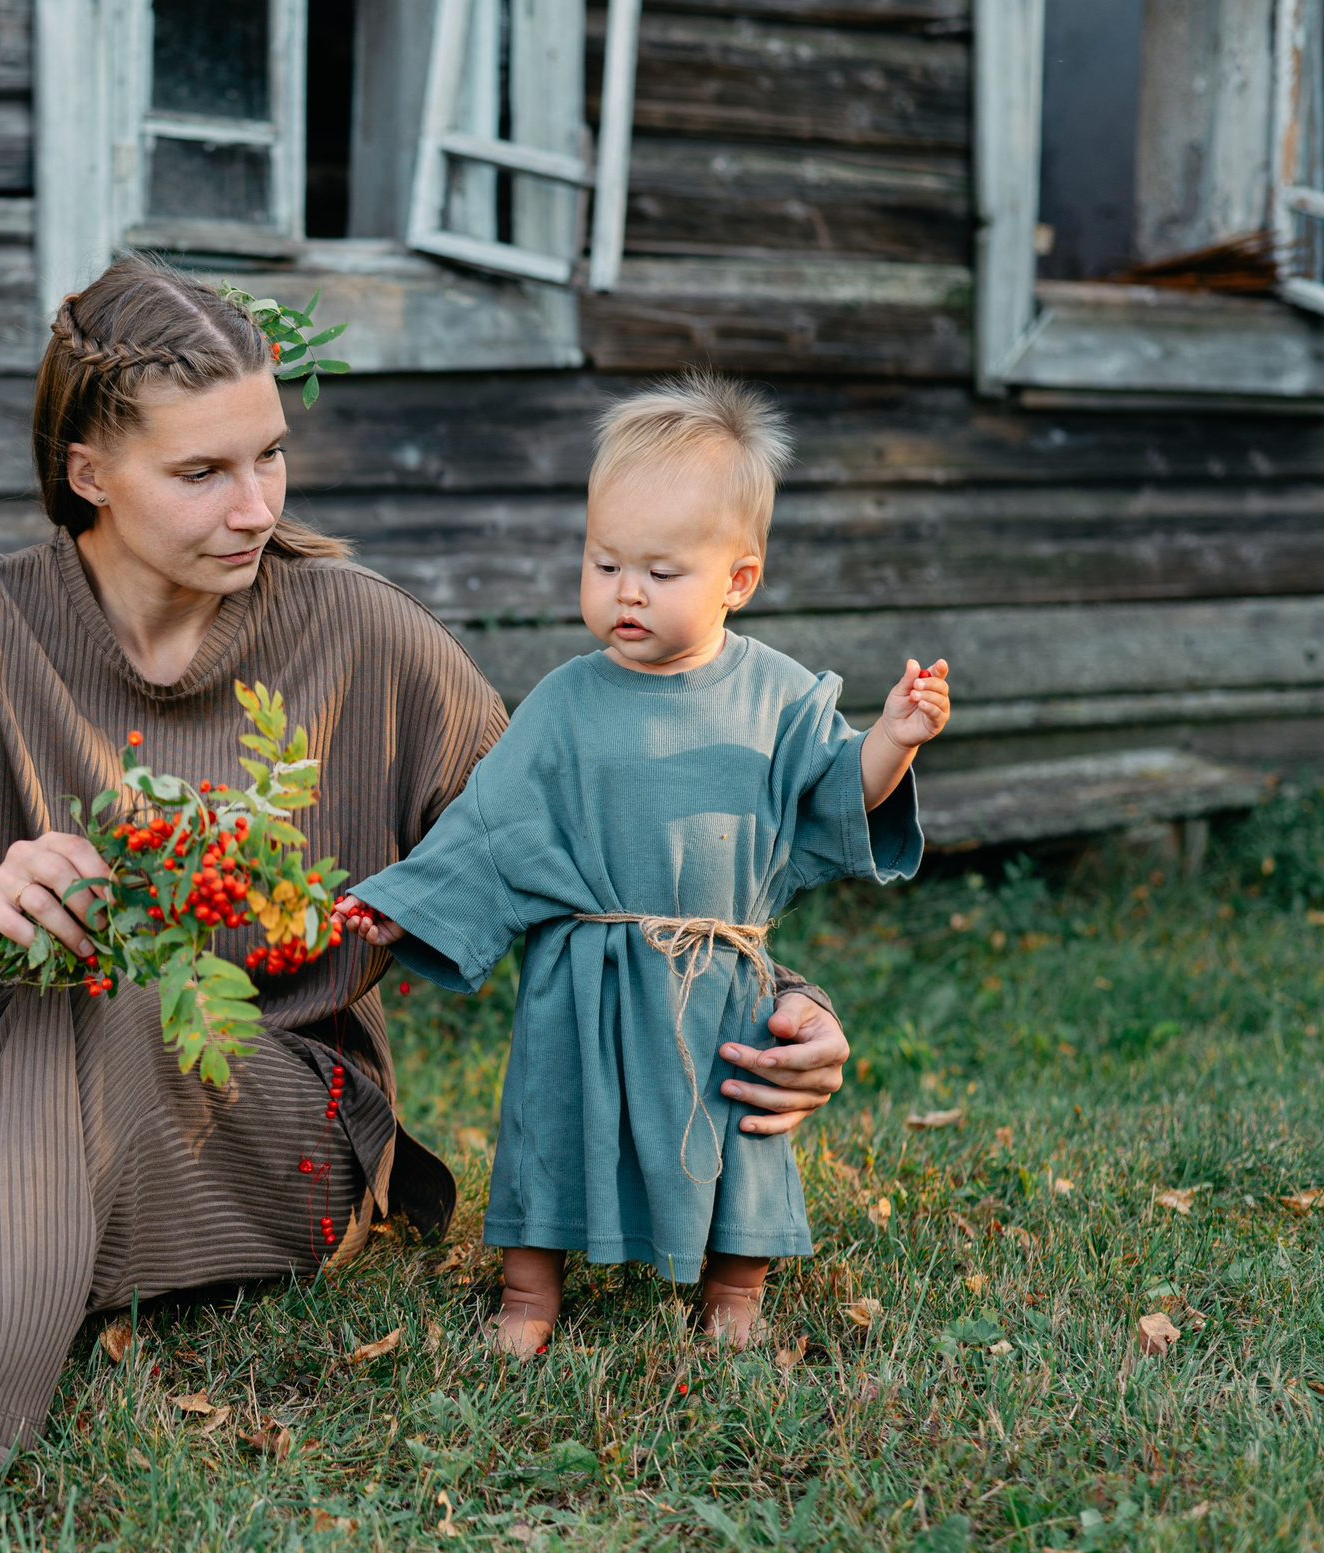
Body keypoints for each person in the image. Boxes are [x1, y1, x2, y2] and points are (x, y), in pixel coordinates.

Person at [0, 262, 857, 1553]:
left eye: (271, 458)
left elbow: (598, 847)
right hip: (35, 1080)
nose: (256, 507)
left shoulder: (361, 633)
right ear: (89, 473)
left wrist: (779, 995)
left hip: (281, 1128)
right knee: (0, 991)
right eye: (202, 474)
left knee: (94, 989)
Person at [342, 374, 947, 1355]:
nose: (626, 591)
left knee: (736, 1127)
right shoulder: (564, 702)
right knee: (548, 1125)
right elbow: (492, 823)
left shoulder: (777, 698)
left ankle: (733, 1292)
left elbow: (839, 790)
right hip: (579, 970)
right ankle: (529, 1298)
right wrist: (404, 905)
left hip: (714, 971)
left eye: (660, 572)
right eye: (603, 563)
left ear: (736, 581)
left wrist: (895, 738)